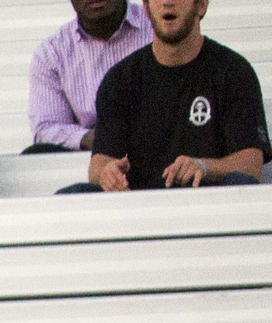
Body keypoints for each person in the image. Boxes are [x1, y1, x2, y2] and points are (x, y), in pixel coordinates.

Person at [71, 0, 265, 189]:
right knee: (73, 194)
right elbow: (99, 164)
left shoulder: (233, 72)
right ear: (146, 8)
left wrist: (204, 167)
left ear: (201, 5)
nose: (167, 2)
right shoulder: (120, 80)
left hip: (209, 210)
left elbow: (251, 164)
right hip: (138, 210)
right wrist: (108, 172)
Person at [27, 0, 153, 151]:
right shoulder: (52, 53)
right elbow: (47, 128)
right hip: (90, 159)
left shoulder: (159, 27)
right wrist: (93, 139)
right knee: (38, 153)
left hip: (160, 153)